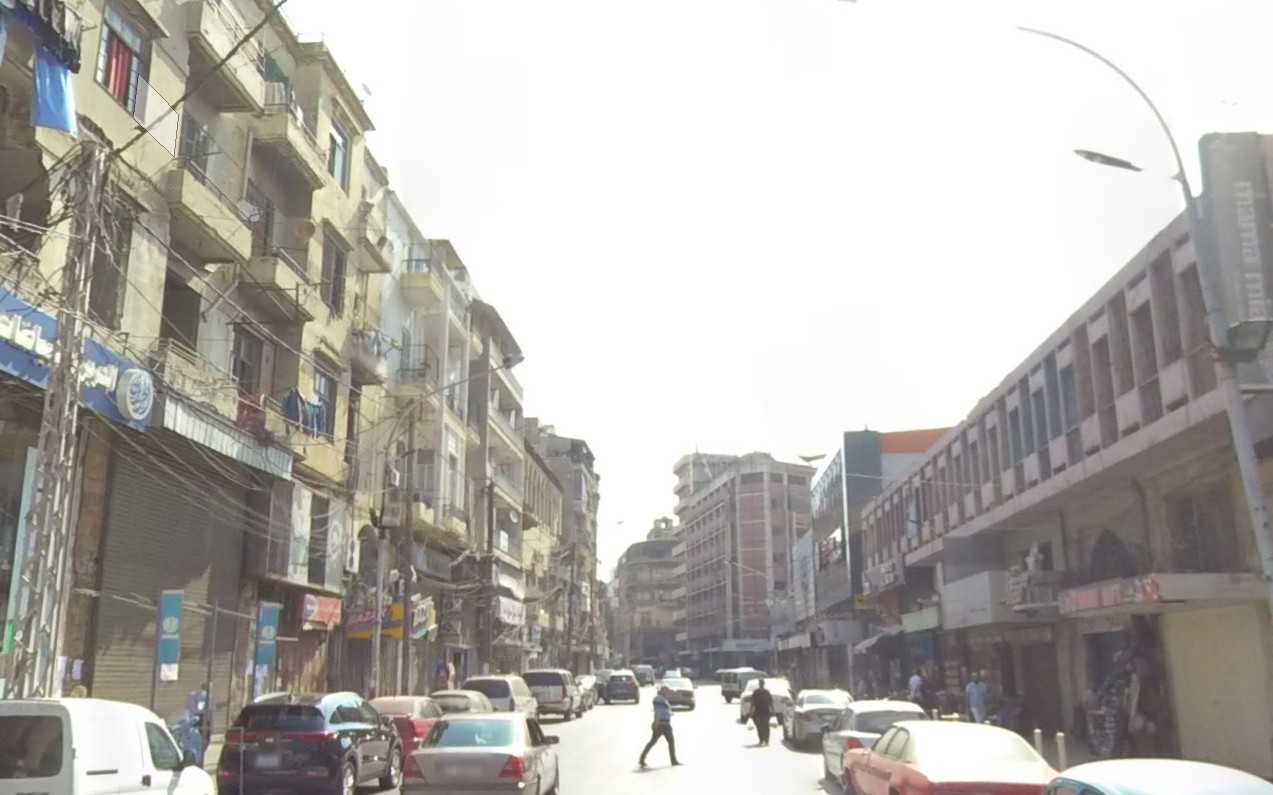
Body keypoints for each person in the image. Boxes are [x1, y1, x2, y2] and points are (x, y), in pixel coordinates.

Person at [639, 685, 681, 768]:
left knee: (669, 742)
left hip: (666, 724)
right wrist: (656, 723)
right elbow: (658, 711)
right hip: (661, 724)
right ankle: (642, 759)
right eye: (667, 691)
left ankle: (674, 760)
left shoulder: (664, 699)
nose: (668, 693)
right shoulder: (659, 699)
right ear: (662, 690)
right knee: (653, 742)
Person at [750, 679, 775, 746]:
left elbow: (752, 702)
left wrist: (750, 711)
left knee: (761, 726)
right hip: (763, 711)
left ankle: (763, 740)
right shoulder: (764, 692)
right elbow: (770, 702)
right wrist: (773, 711)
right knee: (763, 726)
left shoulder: (757, 692)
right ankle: (764, 740)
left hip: (761, 712)